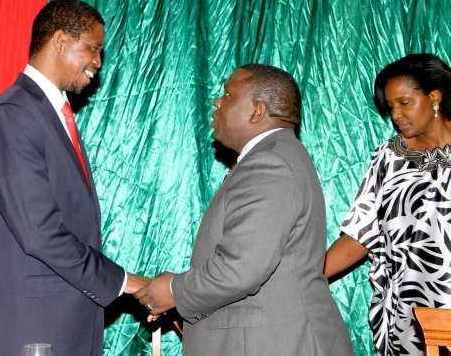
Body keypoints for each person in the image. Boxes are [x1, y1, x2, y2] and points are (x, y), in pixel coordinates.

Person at [0, 0, 148, 356]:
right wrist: (126, 283)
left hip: (60, 326)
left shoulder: (47, 113)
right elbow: (40, 233)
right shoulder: (14, 115)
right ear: (61, 41)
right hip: (26, 331)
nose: (98, 61)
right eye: (92, 48)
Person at [135, 64, 352, 356]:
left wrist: (174, 292)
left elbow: (240, 267)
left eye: (227, 94)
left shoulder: (270, 165)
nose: (217, 101)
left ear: (257, 111)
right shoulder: (274, 158)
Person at [324, 53, 451, 356]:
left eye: (405, 103)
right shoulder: (389, 157)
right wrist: (305, 274)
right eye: (391, 106)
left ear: (434, 97)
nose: (396, 115)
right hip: (410, 316)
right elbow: (360, 235)